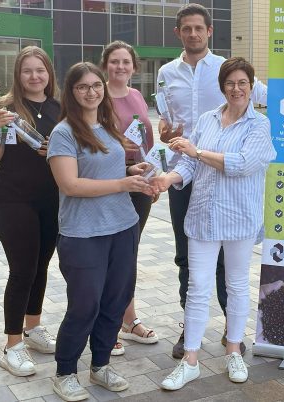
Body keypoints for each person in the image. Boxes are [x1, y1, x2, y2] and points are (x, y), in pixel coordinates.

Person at [152, 57, 276, 390]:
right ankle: (190, 359)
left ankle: (233, 350)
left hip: (239, 217)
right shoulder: (207, 120)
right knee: (197, 287)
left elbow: (244, 164)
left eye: (243, 83)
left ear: (251, 87)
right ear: (222, 87)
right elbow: (190, 166)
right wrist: (169, 178)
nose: (236, 89)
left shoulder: (259, 125)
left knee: (236, 285)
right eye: (230, 83)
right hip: (204, 216)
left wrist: (196, 153)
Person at [47, 62, 153, 401]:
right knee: (84, 305)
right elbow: (70, 183)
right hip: (83, 234)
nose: (91, 91)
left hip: (122, 227)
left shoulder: (107, 125)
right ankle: (65, 372)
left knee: (115, 300)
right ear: (71, 92)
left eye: (96, 85)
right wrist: (121, 182)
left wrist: (131, 169)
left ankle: (101, 364)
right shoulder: (64, 133)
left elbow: (102, 168)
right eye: (83, 87)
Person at [157, 3, 232, 359]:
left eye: (198, 28)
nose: (192, 33)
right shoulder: (166, 73)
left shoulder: (225, 69)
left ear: (209, 31)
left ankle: (232, 330)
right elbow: (165, 126)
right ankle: (190, 328)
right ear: (178, 33)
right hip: (181, 176)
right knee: (185, 255)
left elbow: (255, 103)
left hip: (220, 174)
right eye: (186, 28)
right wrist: (165, 133)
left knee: (224, 255)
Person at [0, 46, 60, 377]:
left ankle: (33, 329)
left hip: (51, 199)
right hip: (12, 199)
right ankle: (12, 345)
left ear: (49, 73)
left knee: (41, 266)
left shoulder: (60, 108)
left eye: (41, 70)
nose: (35, 76)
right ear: (18, 76)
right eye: (27, 71)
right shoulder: (5, 111)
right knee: (22, 270)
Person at [101, 40, 159, 356]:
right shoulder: (97, 97)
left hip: (139, 186)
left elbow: (148, 144)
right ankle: (107, 324)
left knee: (129, 254)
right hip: (112, 184)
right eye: (115, 62)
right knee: (112, 256)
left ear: (134, 67)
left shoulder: (136, 96)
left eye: (126, 62)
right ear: (105, 65)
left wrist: (152, 182)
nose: (120, 67)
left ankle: (128, 319)